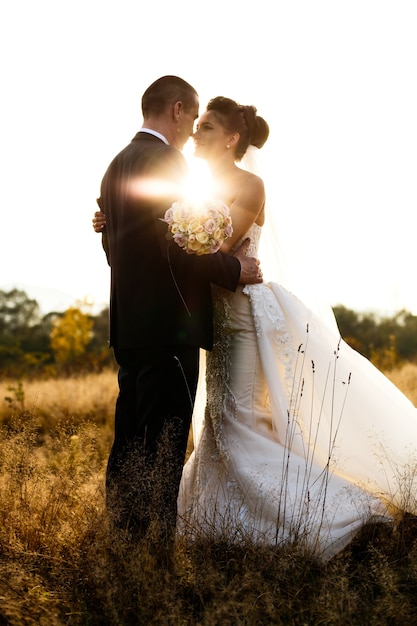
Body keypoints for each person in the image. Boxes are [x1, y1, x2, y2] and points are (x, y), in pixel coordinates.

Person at [172, 96, 417, 560]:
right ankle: (227, 519)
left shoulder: (250, 184)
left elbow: (221, 248)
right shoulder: (195, 188)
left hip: (241, 316)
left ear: (231, 138)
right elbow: (190, 247)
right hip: (213, 318)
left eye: (205, 127)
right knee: (220, 417)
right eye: (197, 125)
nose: (196, 134)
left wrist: (183, 239)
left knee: (237, 417)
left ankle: (343, 512)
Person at [94, 77, 262, 548]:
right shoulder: (165, 161)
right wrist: (234, 268)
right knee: (165, 441)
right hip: (170, 323)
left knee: (129, 436)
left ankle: (123, 537)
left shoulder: (115, 165)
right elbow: (180, 243)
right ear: (176, 108)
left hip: (129, 325)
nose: (191, 133)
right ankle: (156, 550)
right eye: (191, 120)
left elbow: (117, 247)